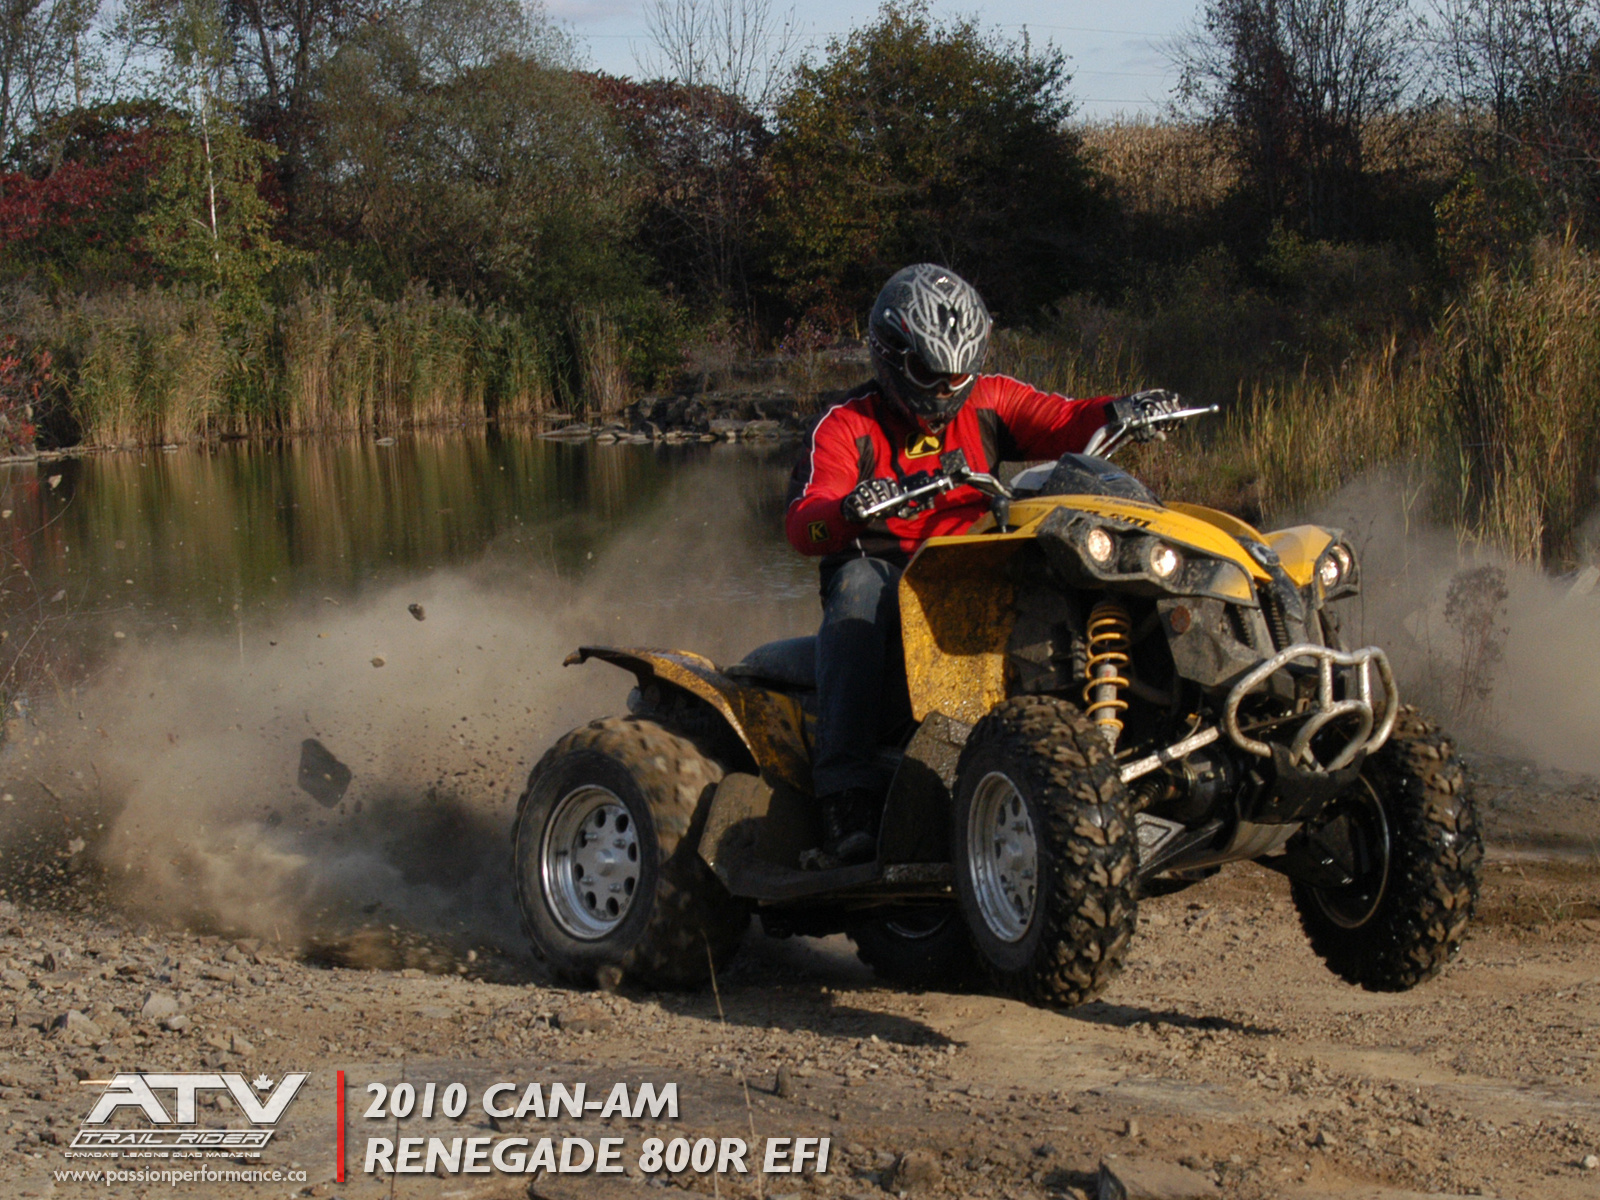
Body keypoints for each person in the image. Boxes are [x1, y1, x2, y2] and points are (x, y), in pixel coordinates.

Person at [785, 263, 1167, 866]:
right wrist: (846, 510)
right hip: (890, 568)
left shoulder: (989, 399)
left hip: (979, 558)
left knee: (1063, 564)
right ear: (889, 357)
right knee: (858, 589)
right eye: (930, 373)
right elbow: (803, 523)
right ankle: (845, 795)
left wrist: (1121, 409)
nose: (945, 389)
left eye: (958, 373)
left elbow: (1065, 420)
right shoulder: (846, 424)